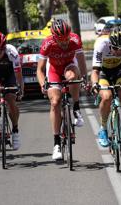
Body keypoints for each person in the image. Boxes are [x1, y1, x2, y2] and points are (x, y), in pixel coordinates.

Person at [36, 19, 88, 160]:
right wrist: (42, 84)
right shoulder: (47, 43)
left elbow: (82, 62)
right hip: (53, 70)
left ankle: (76, 107)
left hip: (69, 66)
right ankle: (56, 143)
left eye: (66, 38)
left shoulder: (75, 39)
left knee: (72, 76)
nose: (65, 42)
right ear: (54, 37)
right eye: (61, 39)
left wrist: (85, 78)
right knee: (55, 102)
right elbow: (39, 70)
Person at [91, 26, 121, 150]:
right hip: (104, 72)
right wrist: (95, 85)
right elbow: (95, 71)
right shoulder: (101, 44)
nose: (119, 51)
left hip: (120, 70)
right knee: (107, 96)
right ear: (110, 44)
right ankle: (103, 129)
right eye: (115, 48)